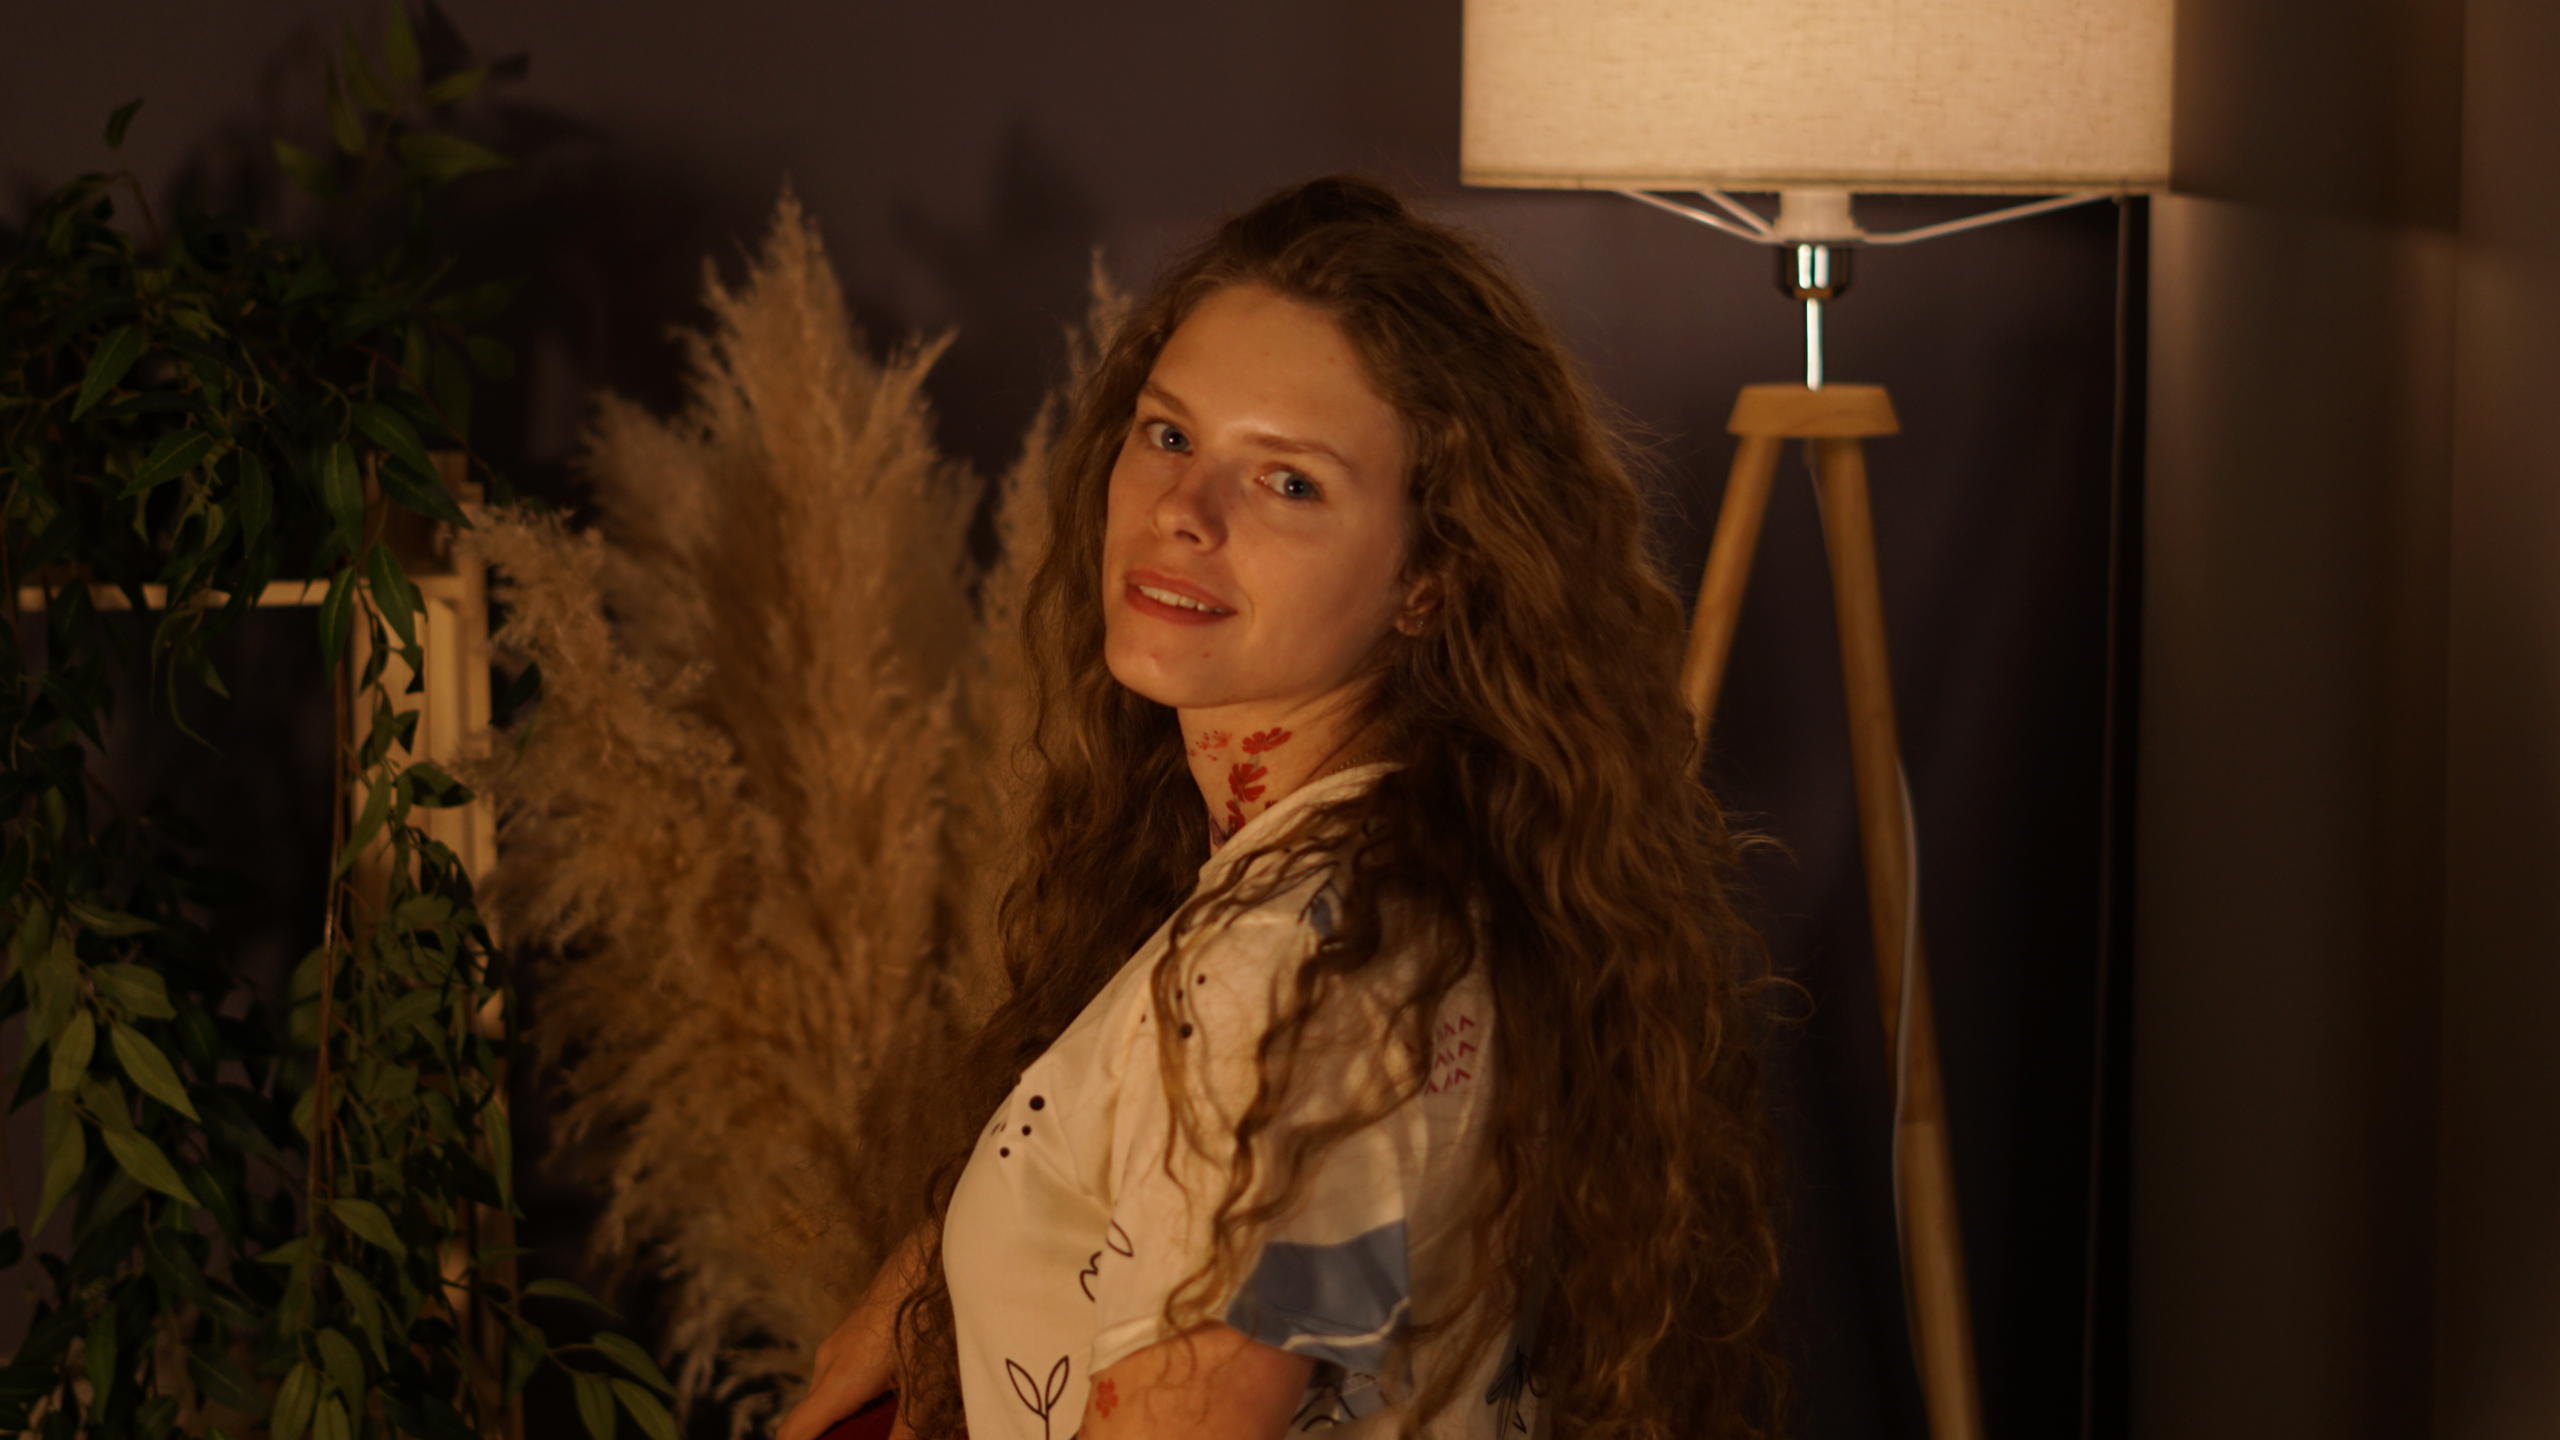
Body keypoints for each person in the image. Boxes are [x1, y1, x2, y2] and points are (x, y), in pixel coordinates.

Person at [776, 175, 1785, 1440]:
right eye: (1168, 435)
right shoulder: (1379, 883)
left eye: (1290, 484)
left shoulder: (1291, 974)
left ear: (1428, 578)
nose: (1181, 513)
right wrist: (952, 1256)